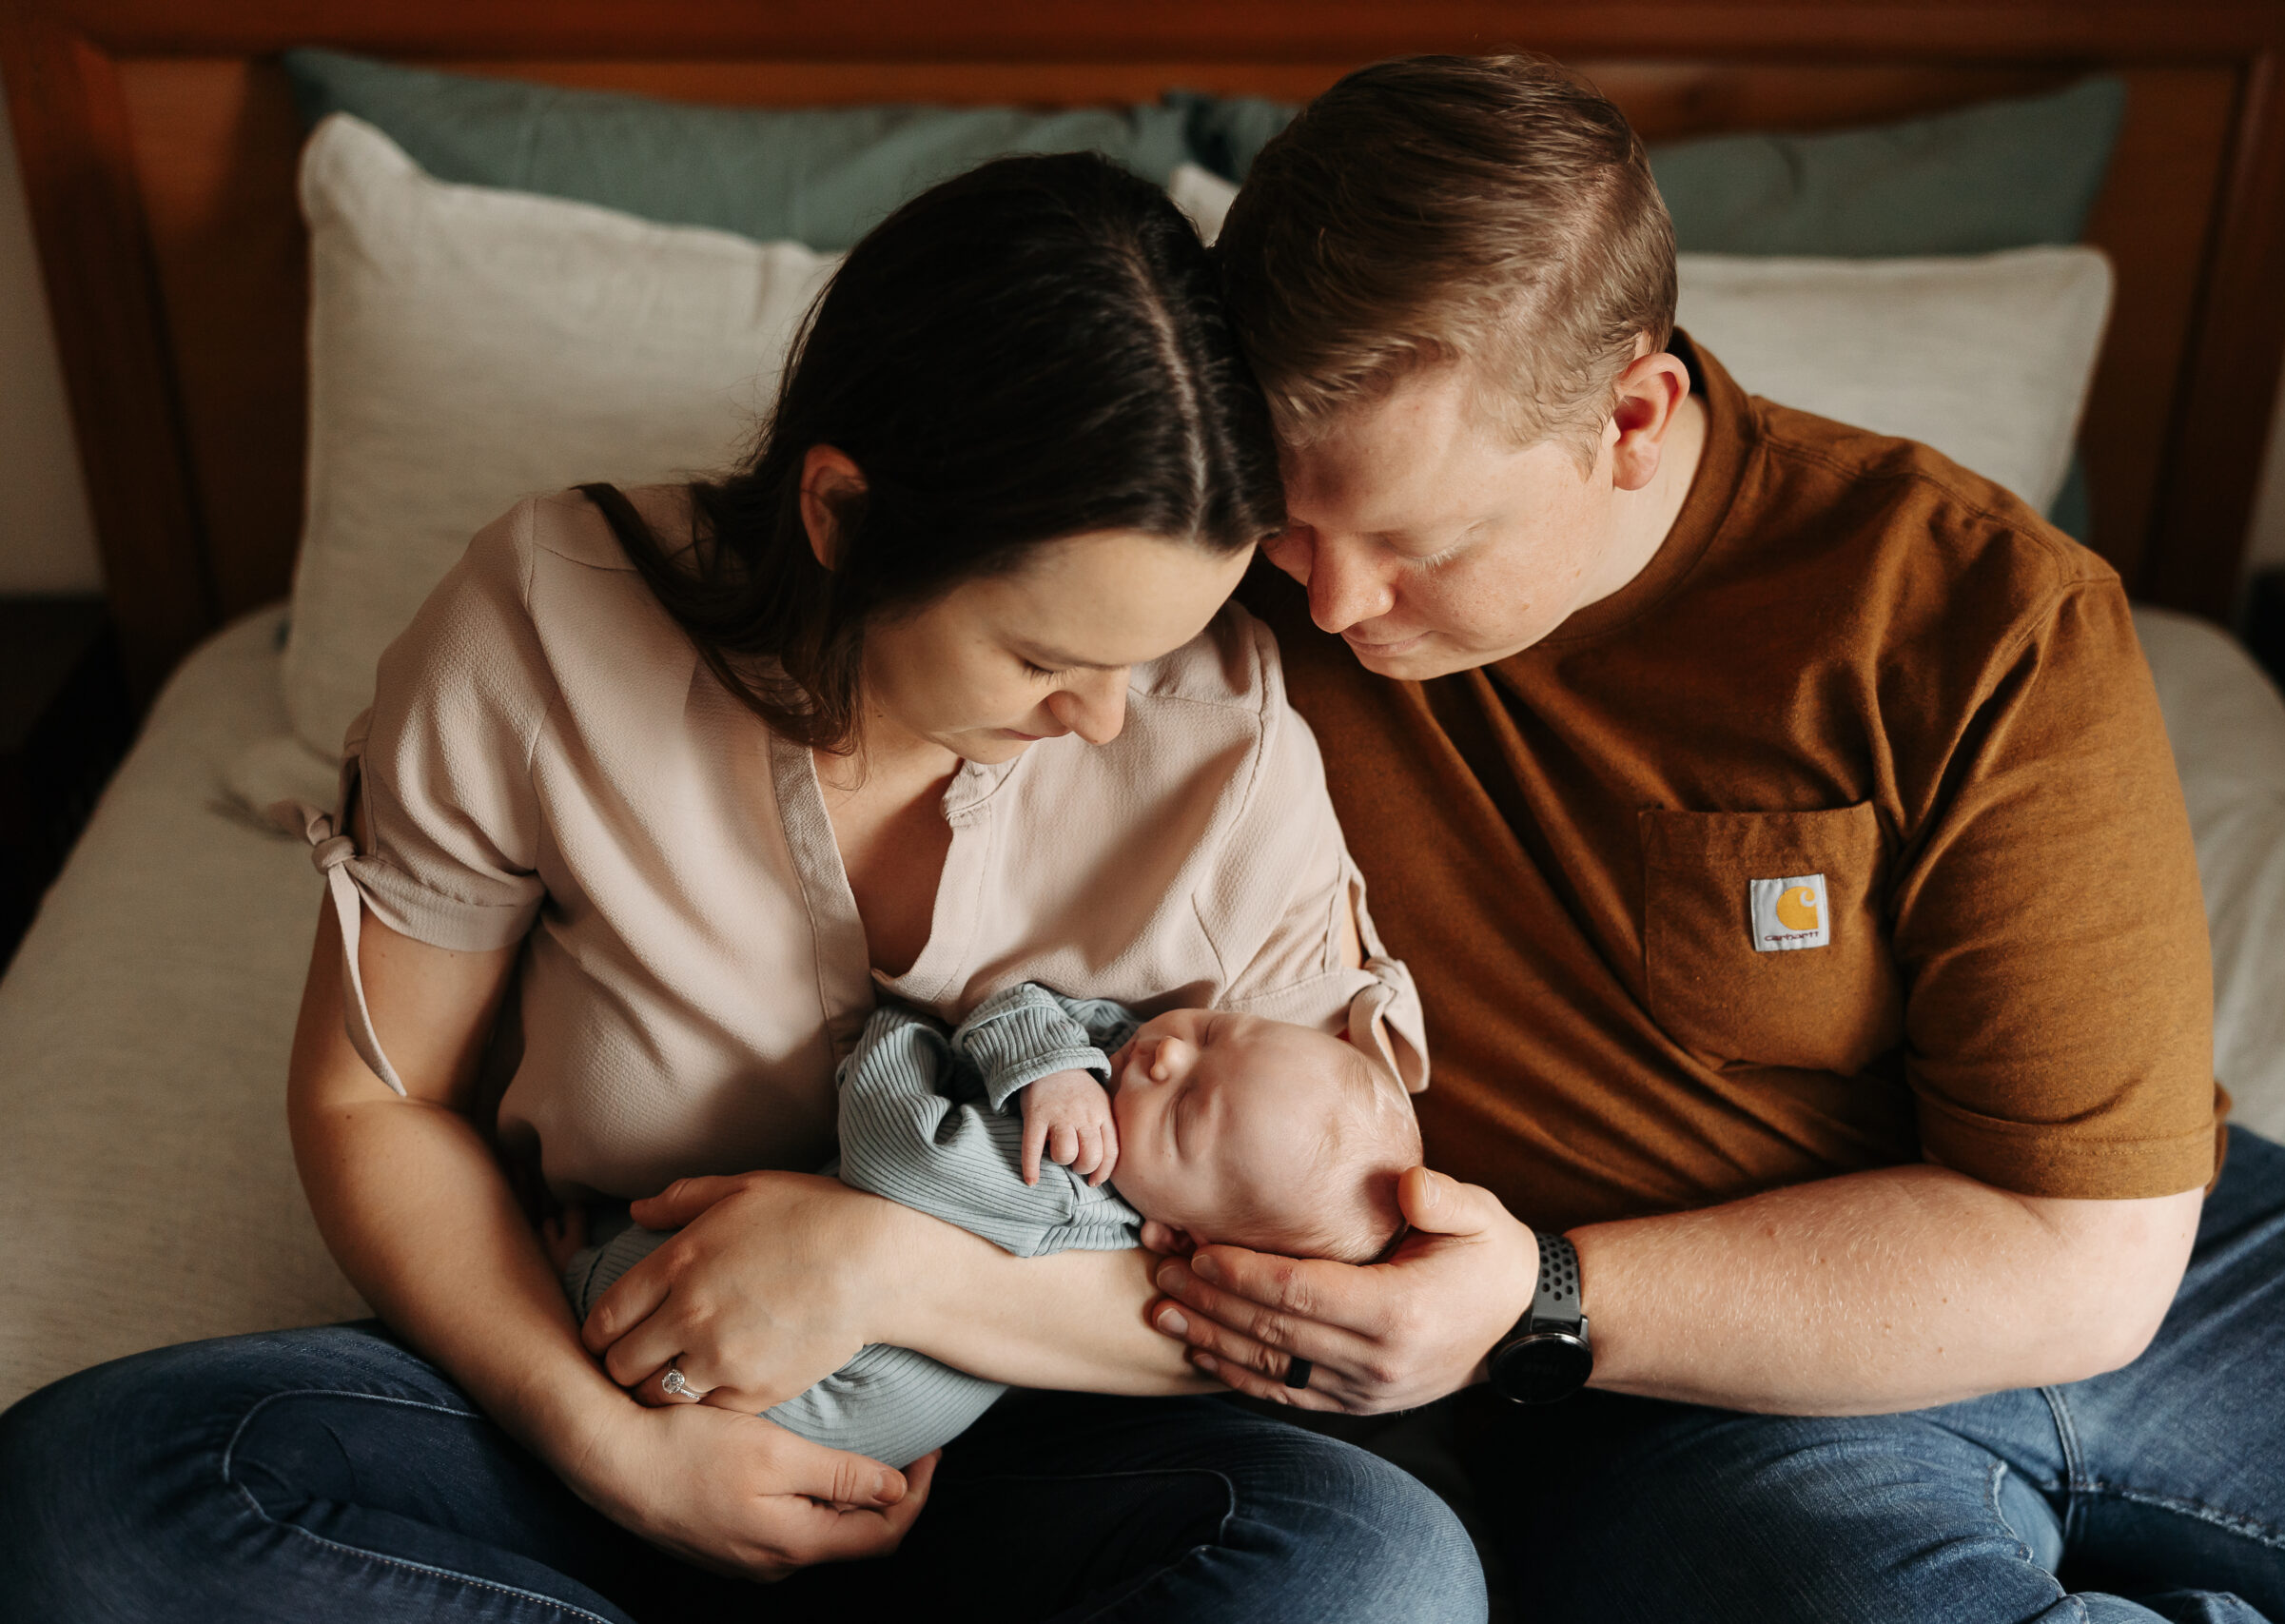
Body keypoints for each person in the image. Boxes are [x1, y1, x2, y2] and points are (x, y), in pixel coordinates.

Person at [0, 152, 1483, 1624]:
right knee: (86, 1492)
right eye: (1042, 659)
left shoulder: (1226, 735)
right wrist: (608, 1446)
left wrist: (886, 1270)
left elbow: (1325, 1283)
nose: (1104, 719)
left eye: (1144, 658)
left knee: (1380, 1571)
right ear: (842, 514)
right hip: (603, 1373)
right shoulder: (546, 625)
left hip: (1042, 1438)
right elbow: (371, 1101)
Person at [1139, 55, 2285, 1622]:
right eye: (1289, 514)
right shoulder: (1183, 561)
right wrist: (1550, 1304)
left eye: (1423, 542)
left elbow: (2091, 1250)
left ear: (1633, 415)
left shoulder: (1974, 614)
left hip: (2126, 1243)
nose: (1330, 603)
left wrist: (1542, 1292)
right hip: (1687, 1381)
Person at [559, 984, 1423, 1468]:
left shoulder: (1059, 1180)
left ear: (1190, 1242)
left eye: (1190, 1110)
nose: (1163, 1053)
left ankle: (565, 1269)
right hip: (797, 1445)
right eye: (1216, 1029)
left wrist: (932, 1026)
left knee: (625, 1274)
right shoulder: (1142, 1168)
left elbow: (891, 1138)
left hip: (731, 1382)